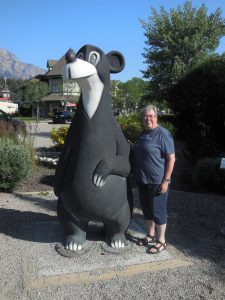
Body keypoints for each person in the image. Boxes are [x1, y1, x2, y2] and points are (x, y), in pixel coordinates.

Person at [131, 104, 175, 254]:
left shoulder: (163, 133)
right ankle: (150, 235)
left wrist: (166, 181)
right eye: (145, 116)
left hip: (157, 180)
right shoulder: (143, 134)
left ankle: (161, 240)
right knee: (147, 210)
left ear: (156, 117)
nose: (148, 118)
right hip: (143, 180)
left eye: (151, 116)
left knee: (158, 211)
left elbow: (171, 158)